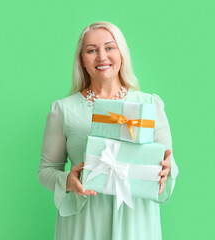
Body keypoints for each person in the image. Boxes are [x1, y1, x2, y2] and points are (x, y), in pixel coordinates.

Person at [37, 21, 179, 240]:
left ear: (122, 54)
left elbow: (167, 162)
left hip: (136, 220)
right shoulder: (63, 109)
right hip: (85, 221)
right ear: (82, 61)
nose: (101, 56)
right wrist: (68, 180)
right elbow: (46, 170)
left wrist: (167, 169)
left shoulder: (150, 105)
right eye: (91, 50)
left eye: (110, 47)